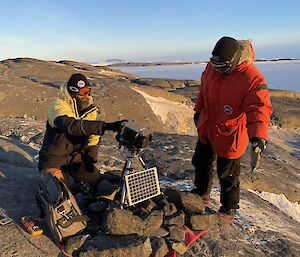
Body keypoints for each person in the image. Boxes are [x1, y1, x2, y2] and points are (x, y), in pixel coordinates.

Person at [192, 37, 272, 222]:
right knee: (201, 161)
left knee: (227, 175)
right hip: (208, 126)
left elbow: (259, 107)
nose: (217, 68)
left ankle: (229, 208)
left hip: (230, 134)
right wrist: (198, 110)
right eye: (215, 64)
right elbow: (203, 89)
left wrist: (258, 137)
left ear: (235, 61)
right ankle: (201, 193)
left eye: (222, 66)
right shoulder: (214, 65)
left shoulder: (252, 78)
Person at [38, 73, 126, 186]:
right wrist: (105, 126)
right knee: (60, 192)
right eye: (83, 92)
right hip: (54, 159)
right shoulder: (57, 105)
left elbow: (94, 138)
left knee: (100, 182)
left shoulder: (90, 111)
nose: (87, 96)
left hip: (75, 160)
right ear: (73, 92)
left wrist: (91, 156)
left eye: (88, 92)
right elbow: (71, 126)